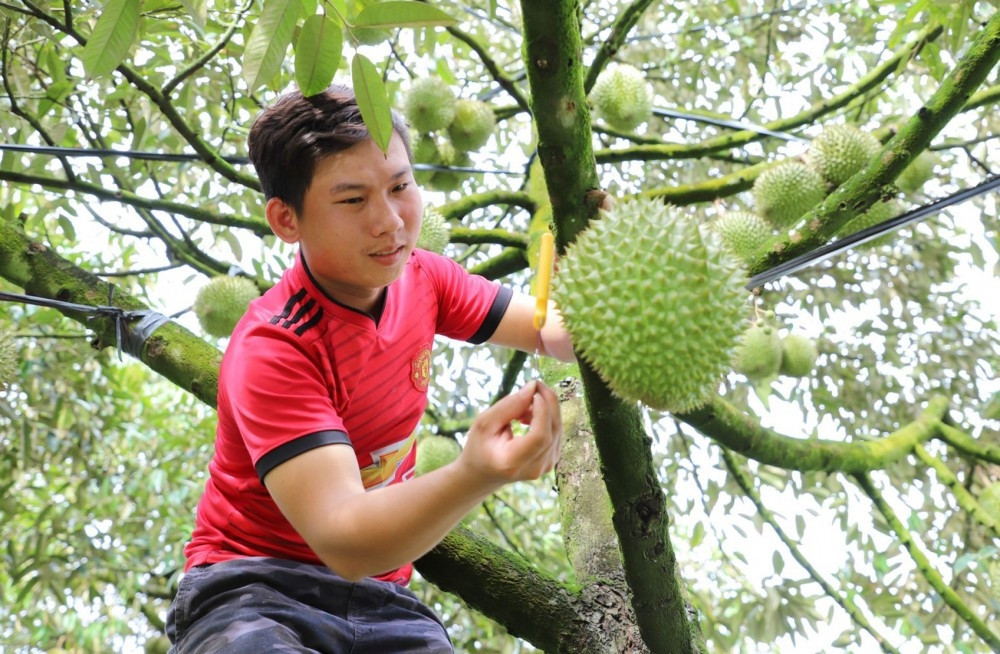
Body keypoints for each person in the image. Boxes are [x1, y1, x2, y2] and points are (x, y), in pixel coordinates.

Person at [165, 84, 576, 653]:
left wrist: (625, 274)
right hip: (253, 593)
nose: (390, 221)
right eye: (353, 200)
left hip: (385, 607)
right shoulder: (275, 345)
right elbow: (345, 539)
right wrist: (476, 472)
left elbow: (551, 328)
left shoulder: (426, 279)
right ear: (286, 219)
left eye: (401, 186)